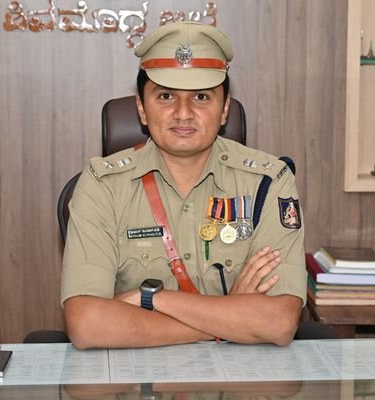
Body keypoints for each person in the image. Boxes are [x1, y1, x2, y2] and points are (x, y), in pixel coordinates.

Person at [61, 21, 307, 350]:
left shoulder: (269, 181)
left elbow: (278, 322)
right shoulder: (102, 184)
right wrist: (229, 319)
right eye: (165, 96)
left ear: (224, 108)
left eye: (201, 97)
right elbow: (87, 325)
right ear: (141, 108)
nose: (183, 113)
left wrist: (152, 299)